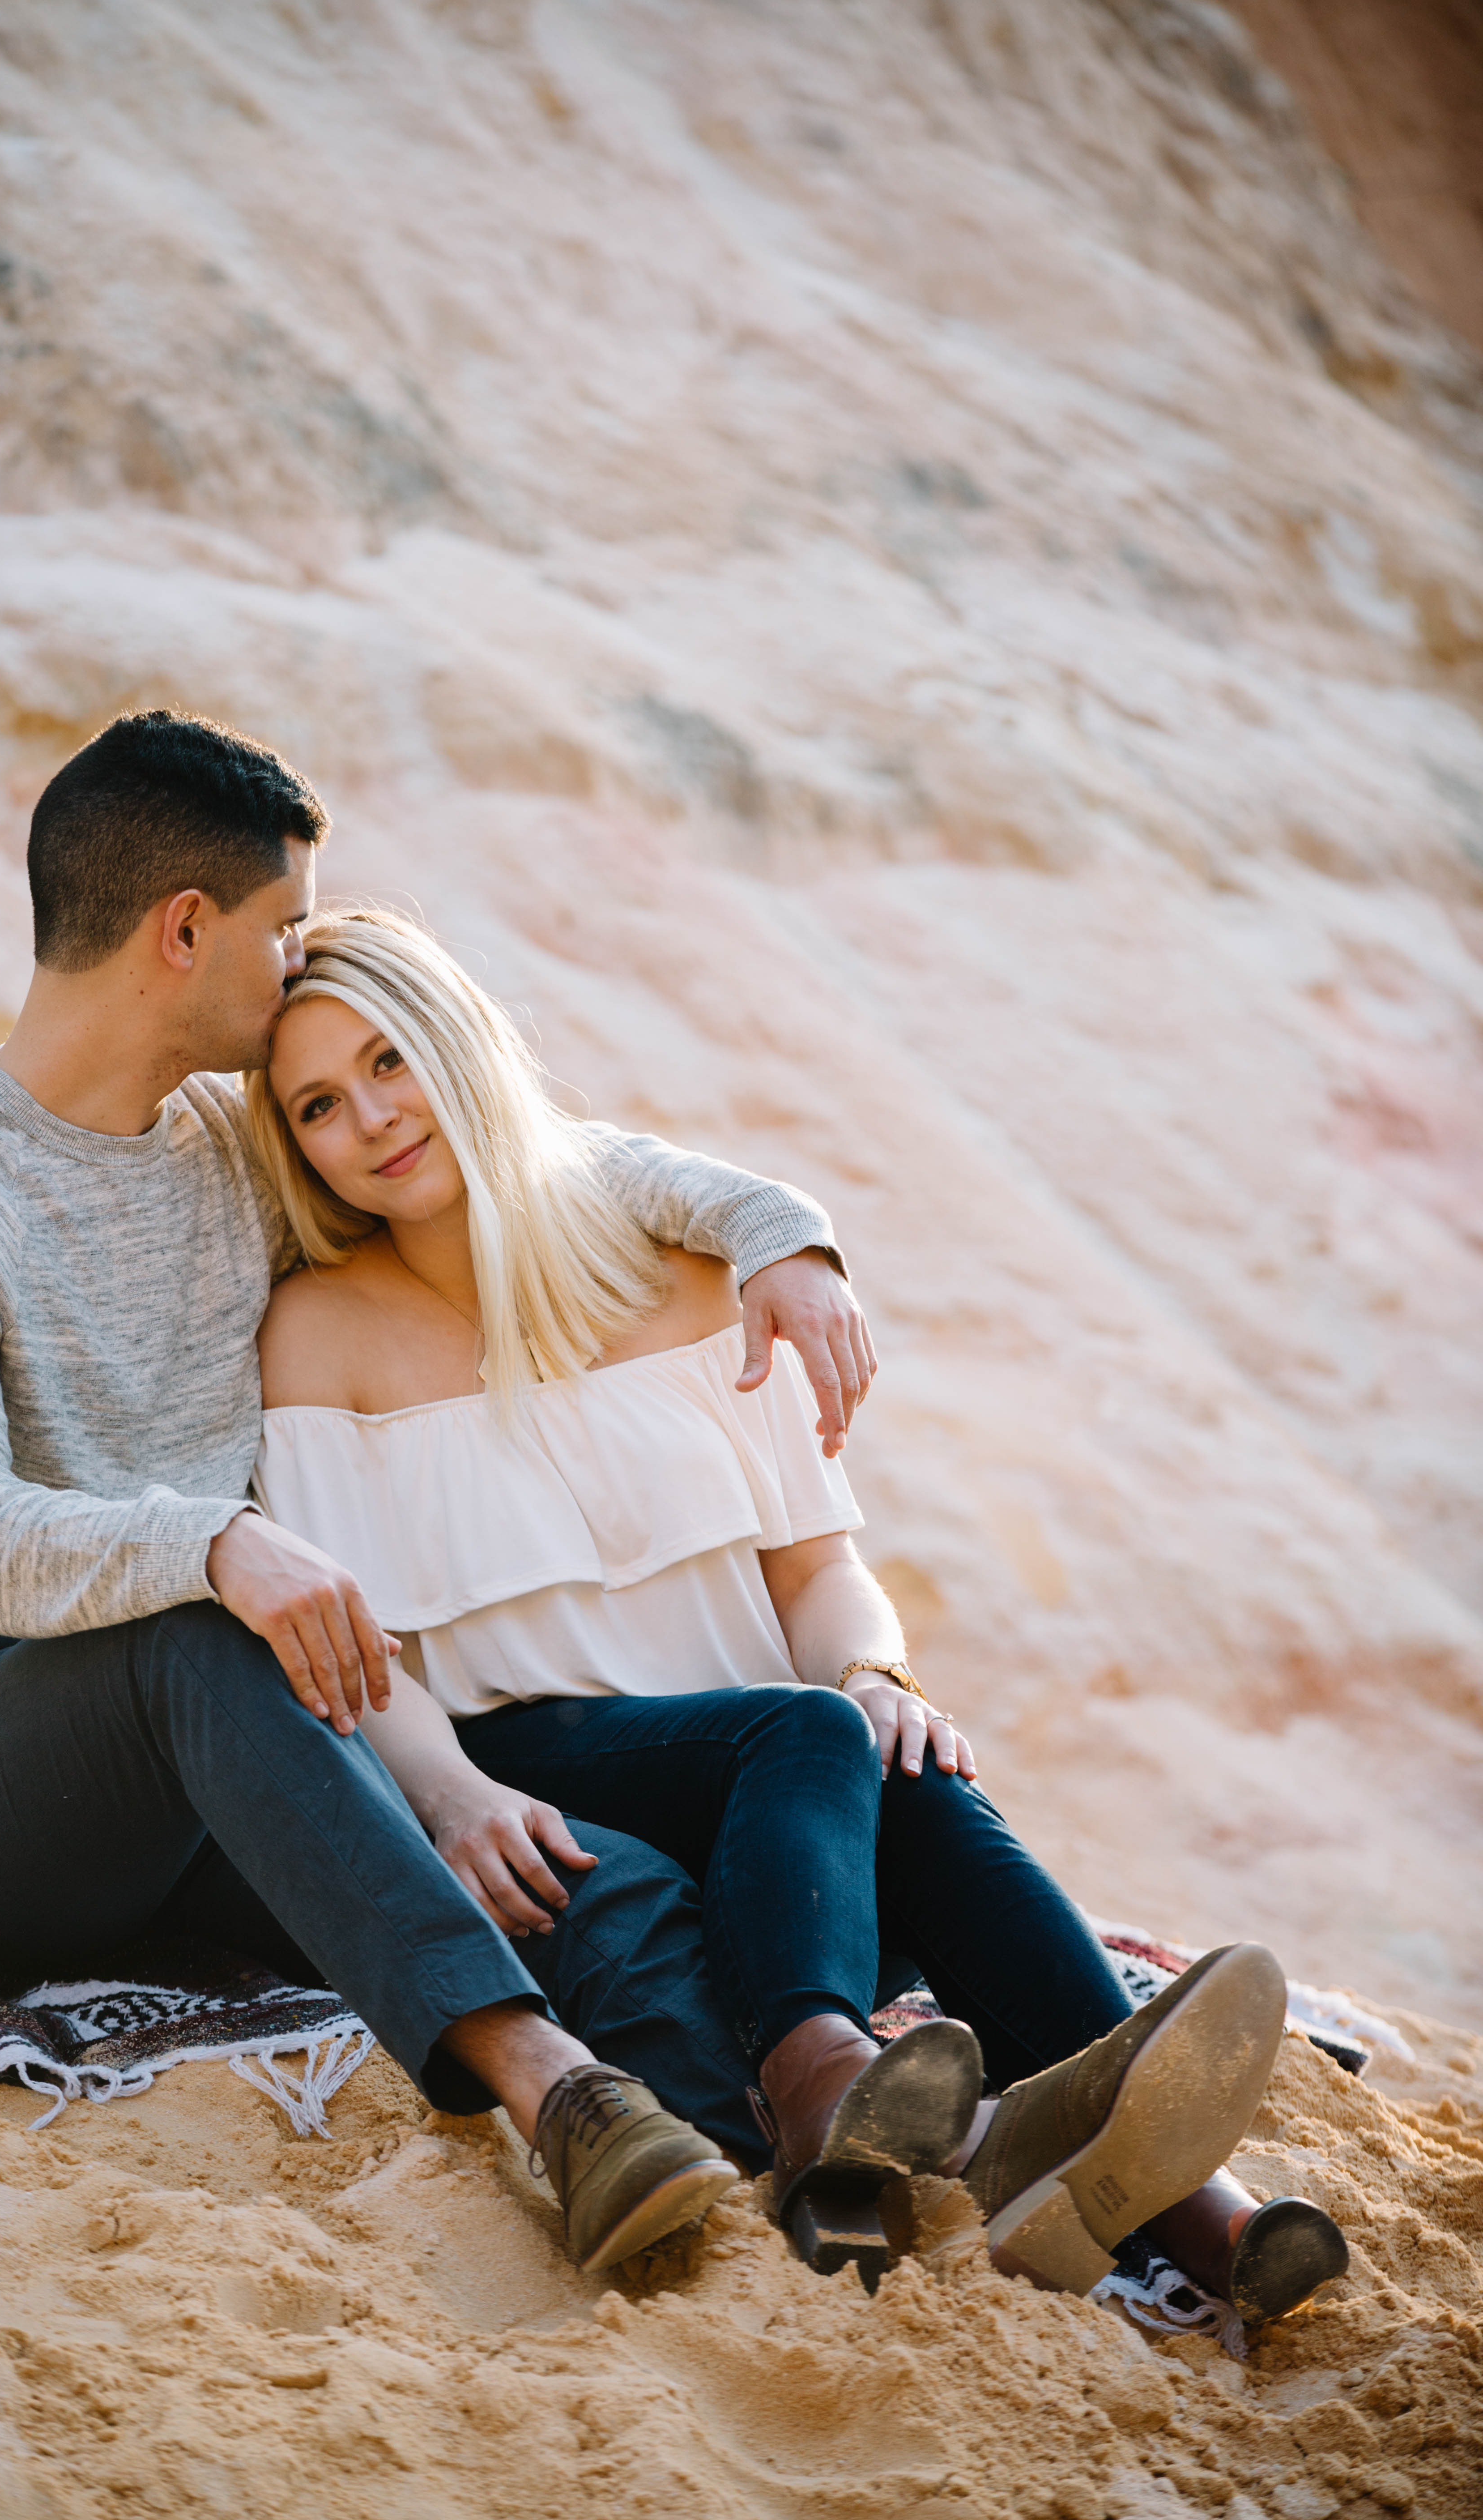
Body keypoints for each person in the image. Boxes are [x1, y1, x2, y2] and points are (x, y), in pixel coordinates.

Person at [0, 708, 896, 2275]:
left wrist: (773, 1232)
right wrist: (216, 1544)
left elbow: (535, 1156)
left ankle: (772, 2188)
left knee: (591, 1875)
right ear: (187, 931)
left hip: (230, 1732)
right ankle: (555, 2097)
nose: (301, 963)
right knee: (192, 1636)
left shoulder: (223, 1148)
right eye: (286, 929)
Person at [243, 905, 1351, 2324]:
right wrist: (453, 1794)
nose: (372, 1120)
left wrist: (878, 1672)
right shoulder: (318, 1333)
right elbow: (361, 1646)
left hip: (782, 1806)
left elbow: (816, 1573)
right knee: (810, 1731)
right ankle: (850, 2088)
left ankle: (1142, 2178)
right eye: (321, 1107)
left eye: (392, 1060)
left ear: (460, 1046)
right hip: (541, 1770)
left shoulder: (699, 1280)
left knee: (895, 1753)